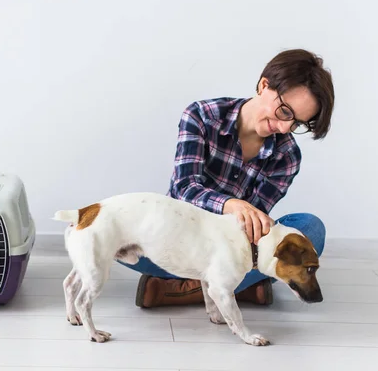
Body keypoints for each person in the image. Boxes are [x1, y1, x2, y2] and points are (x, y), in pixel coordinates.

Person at [119, 48, 334, 308]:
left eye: (297, 123)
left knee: (310, 229)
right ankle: (234, 288)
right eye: (285, 112)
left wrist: (249, 220)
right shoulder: (201, 116)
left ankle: (186, 289)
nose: (285, 128)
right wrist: (230, 204)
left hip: (232, 250)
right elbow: (185, 188)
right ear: (264, 84)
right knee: (114, 228)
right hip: (178, 240)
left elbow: (255, 232)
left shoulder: (287, 155)